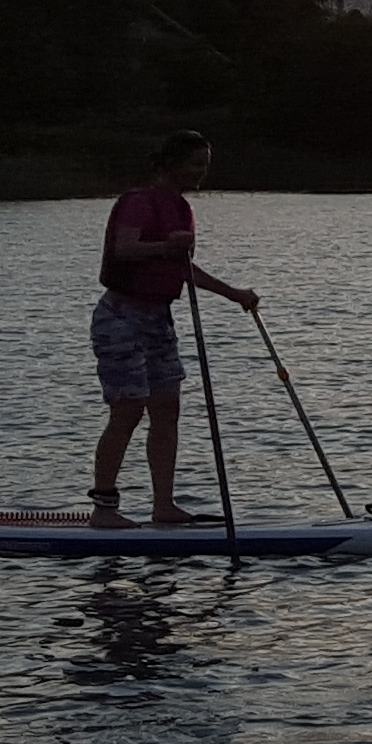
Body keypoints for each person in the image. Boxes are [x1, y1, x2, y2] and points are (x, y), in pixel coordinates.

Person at [89, 128, 260, 525]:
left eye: (206, 165)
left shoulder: (182, 209)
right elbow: (124, 249)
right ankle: (104, 509)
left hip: (157, 318)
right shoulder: (138, 202)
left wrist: (233, 293)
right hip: (120, 317)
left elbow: (180, 268)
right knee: (128, 410)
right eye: (195, 164)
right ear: (171, 164)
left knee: (167, 410)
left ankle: (163, 506)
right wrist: (166, 246)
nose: (201, 173)